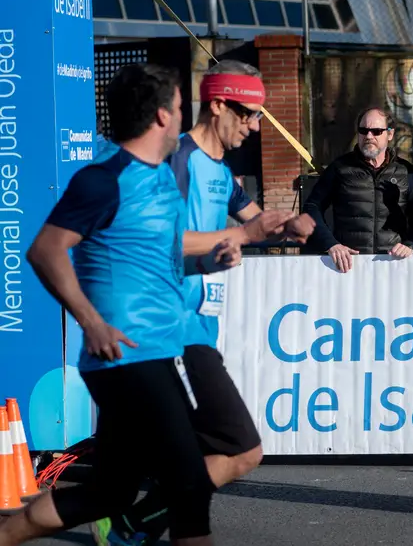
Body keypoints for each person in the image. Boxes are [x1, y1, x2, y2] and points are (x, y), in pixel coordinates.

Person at [1, 63, 240, 546]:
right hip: (127, 357)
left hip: (158, 348)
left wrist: (211, 261)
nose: (183, 117)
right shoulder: (103, 179)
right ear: (161, 116)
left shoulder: (162, 182)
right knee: (189, 484)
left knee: (108, 494)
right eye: (178, 107)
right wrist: (91, 322)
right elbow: (45, 249)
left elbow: (163, 265)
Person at [89, 60, 315, 546]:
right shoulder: (178, 160)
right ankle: (130, 523)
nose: (255, 127)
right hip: (168, 328)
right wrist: (240, 234)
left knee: (140, 470)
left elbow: (254, 220)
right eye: (249, 114)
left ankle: (126, 520)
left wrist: (295, 227)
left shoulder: (222, 172)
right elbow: (158, 238)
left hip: (194, 329)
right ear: (217, 104)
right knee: (240, 451)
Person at [302, 106, 413, 272]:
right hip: (349, 268)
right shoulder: (340, 168)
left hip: (394, 266)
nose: (368, 136)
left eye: (376, 131)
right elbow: (311, 208)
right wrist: (331, 244)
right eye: (363, 130)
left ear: (390, 134)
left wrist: (411, 244)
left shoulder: (406, 171)